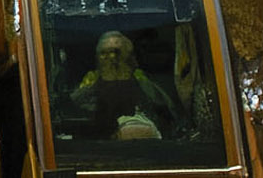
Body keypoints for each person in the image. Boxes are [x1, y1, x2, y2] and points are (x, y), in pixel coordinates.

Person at [59, 30, 190, 141]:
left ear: (132, 59)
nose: (111, 58)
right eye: (104, 53)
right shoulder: (81, 97)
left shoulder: (152, 93)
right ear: (96, 60)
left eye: (117, 52)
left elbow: (172, 127)